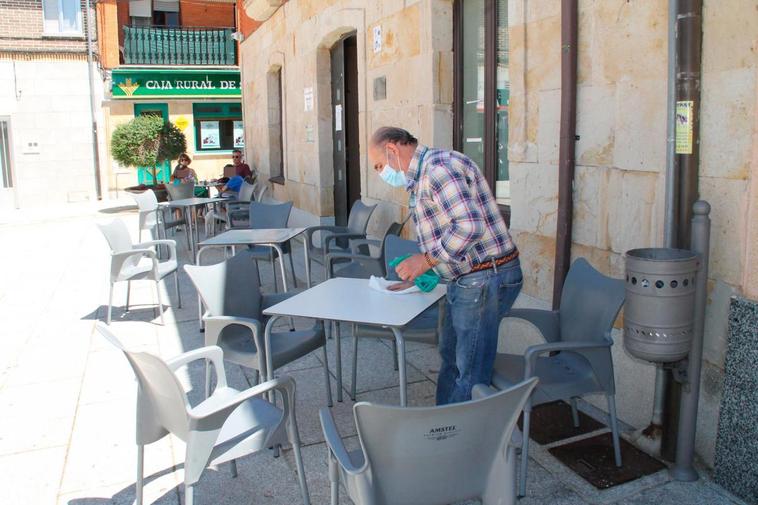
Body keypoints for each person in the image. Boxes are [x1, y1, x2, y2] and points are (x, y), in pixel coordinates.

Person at [368, 126, 523, 405]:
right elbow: (448, 233)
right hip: (468, 277)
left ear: (392, 149)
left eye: (380, 165)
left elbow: (468, 227)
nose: (382, 174)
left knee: (470, 371)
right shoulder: (426, 172)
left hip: (483, 277)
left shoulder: (438, 169)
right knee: (451, 358)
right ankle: (444, 427)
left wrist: (425, 260)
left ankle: (463, 441)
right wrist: (422, 273)